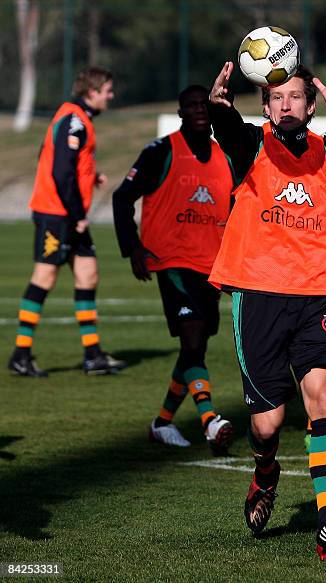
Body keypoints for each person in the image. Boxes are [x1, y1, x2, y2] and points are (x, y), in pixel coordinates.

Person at [207, 60, 326, 560]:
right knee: (268, 425)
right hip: (258, 296)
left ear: (311, 103)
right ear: (265, 105)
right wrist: (219, 107)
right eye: (276, 97)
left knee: (323, 397)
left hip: (318, 294)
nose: (285, 105)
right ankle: (265, 473)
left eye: (296, 96)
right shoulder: (252, 144)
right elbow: (229, 131)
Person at [112, 85, 234, 452]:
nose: (199, 110)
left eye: (204, 105)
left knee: (193, 349)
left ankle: (162, 423)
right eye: (191, 106)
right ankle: (210, 421)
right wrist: (132, 247)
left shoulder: (225, 156)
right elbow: (122, 198)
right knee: (193, 338)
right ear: (181, 113)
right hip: (172, 262)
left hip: (212, 267)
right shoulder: (161, 150)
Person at [8, 66, 125, 377]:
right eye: (107, 91)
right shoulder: (75, 119)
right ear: (92, 92)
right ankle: (21, 354)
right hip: (58, 216)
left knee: (88, 274)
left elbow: (56, 158)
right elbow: (61, 172)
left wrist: (90, 176)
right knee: (44, 277)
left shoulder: (75, 118)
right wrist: (77, 217)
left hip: (68, 215)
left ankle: (92, 355)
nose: (110, 96)